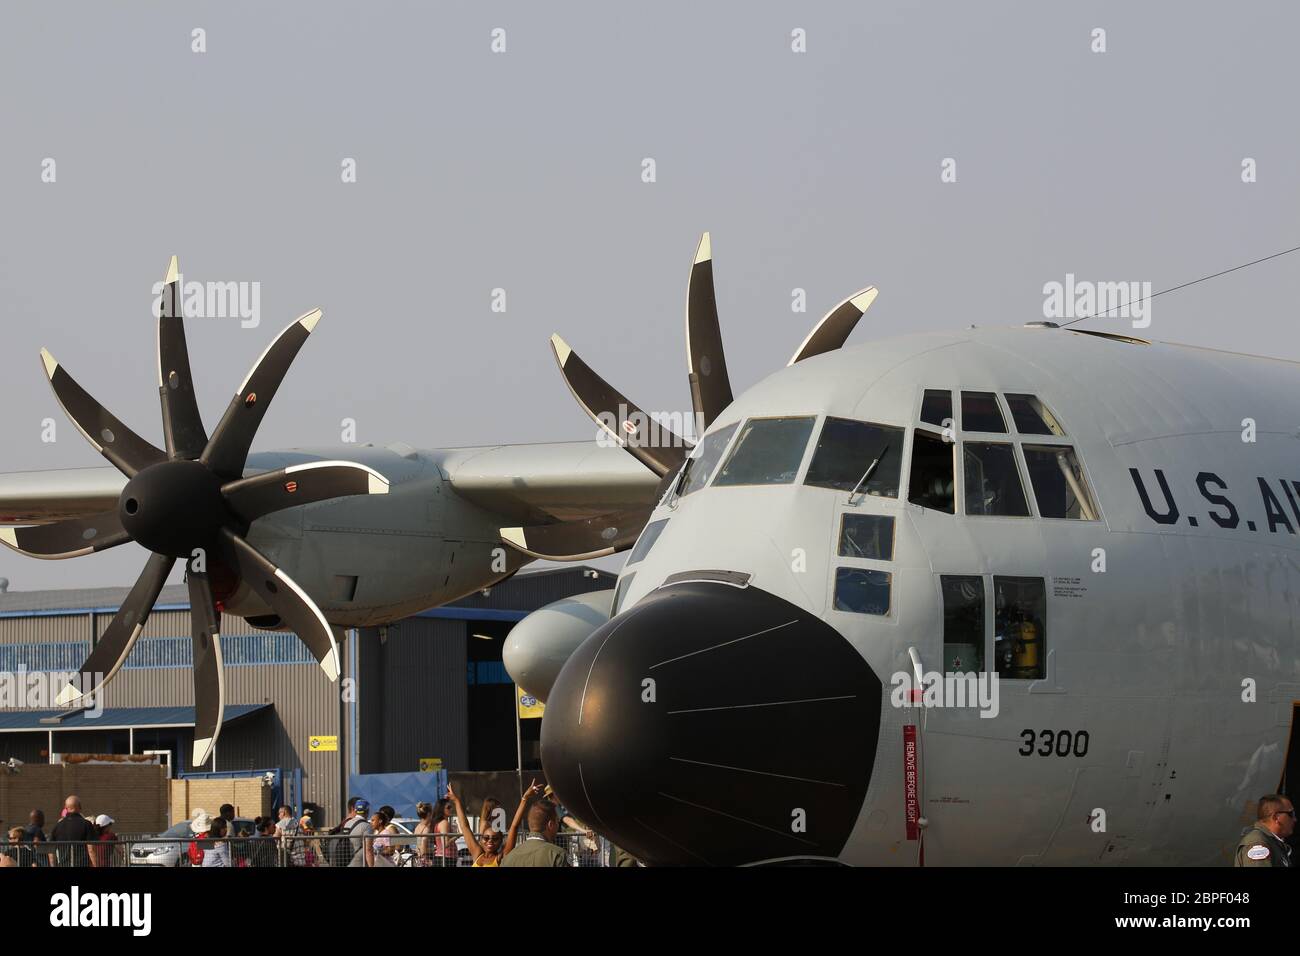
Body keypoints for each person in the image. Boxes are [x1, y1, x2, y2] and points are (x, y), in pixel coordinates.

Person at [448, 779, 535, 867]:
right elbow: (465, 826)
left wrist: (524, 799)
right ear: (481, 840)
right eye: (486, 838)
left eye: (495, 839)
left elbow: (514, 826)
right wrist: (456, 801)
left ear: (501, 841)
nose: (490, 841)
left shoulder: (500, 858)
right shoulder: (477, 854)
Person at [501, 797, 568, 868]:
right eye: (557, 821)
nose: (558, 825)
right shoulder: (557, 855)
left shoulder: (507, 859)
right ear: (550, 824)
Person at [1234, 793, 1295, 867]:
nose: (1295, 819)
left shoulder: (1271, 842)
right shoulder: (1258, 843)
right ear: (1276, 817)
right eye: (1291, 814)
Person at [49, 796, 97, 867]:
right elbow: (91, 849)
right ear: (80, 807)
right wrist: (95, 865)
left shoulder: (57, 826)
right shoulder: (86, 824)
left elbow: (51, 851)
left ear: (65, 808)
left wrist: (53, 865)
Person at [334, 797, 372, 868]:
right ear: (367, 811)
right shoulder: (367, 826)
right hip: (360, 862)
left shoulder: (347, 823)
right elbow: (368, 850)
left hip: (347, 860)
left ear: (356, 810)